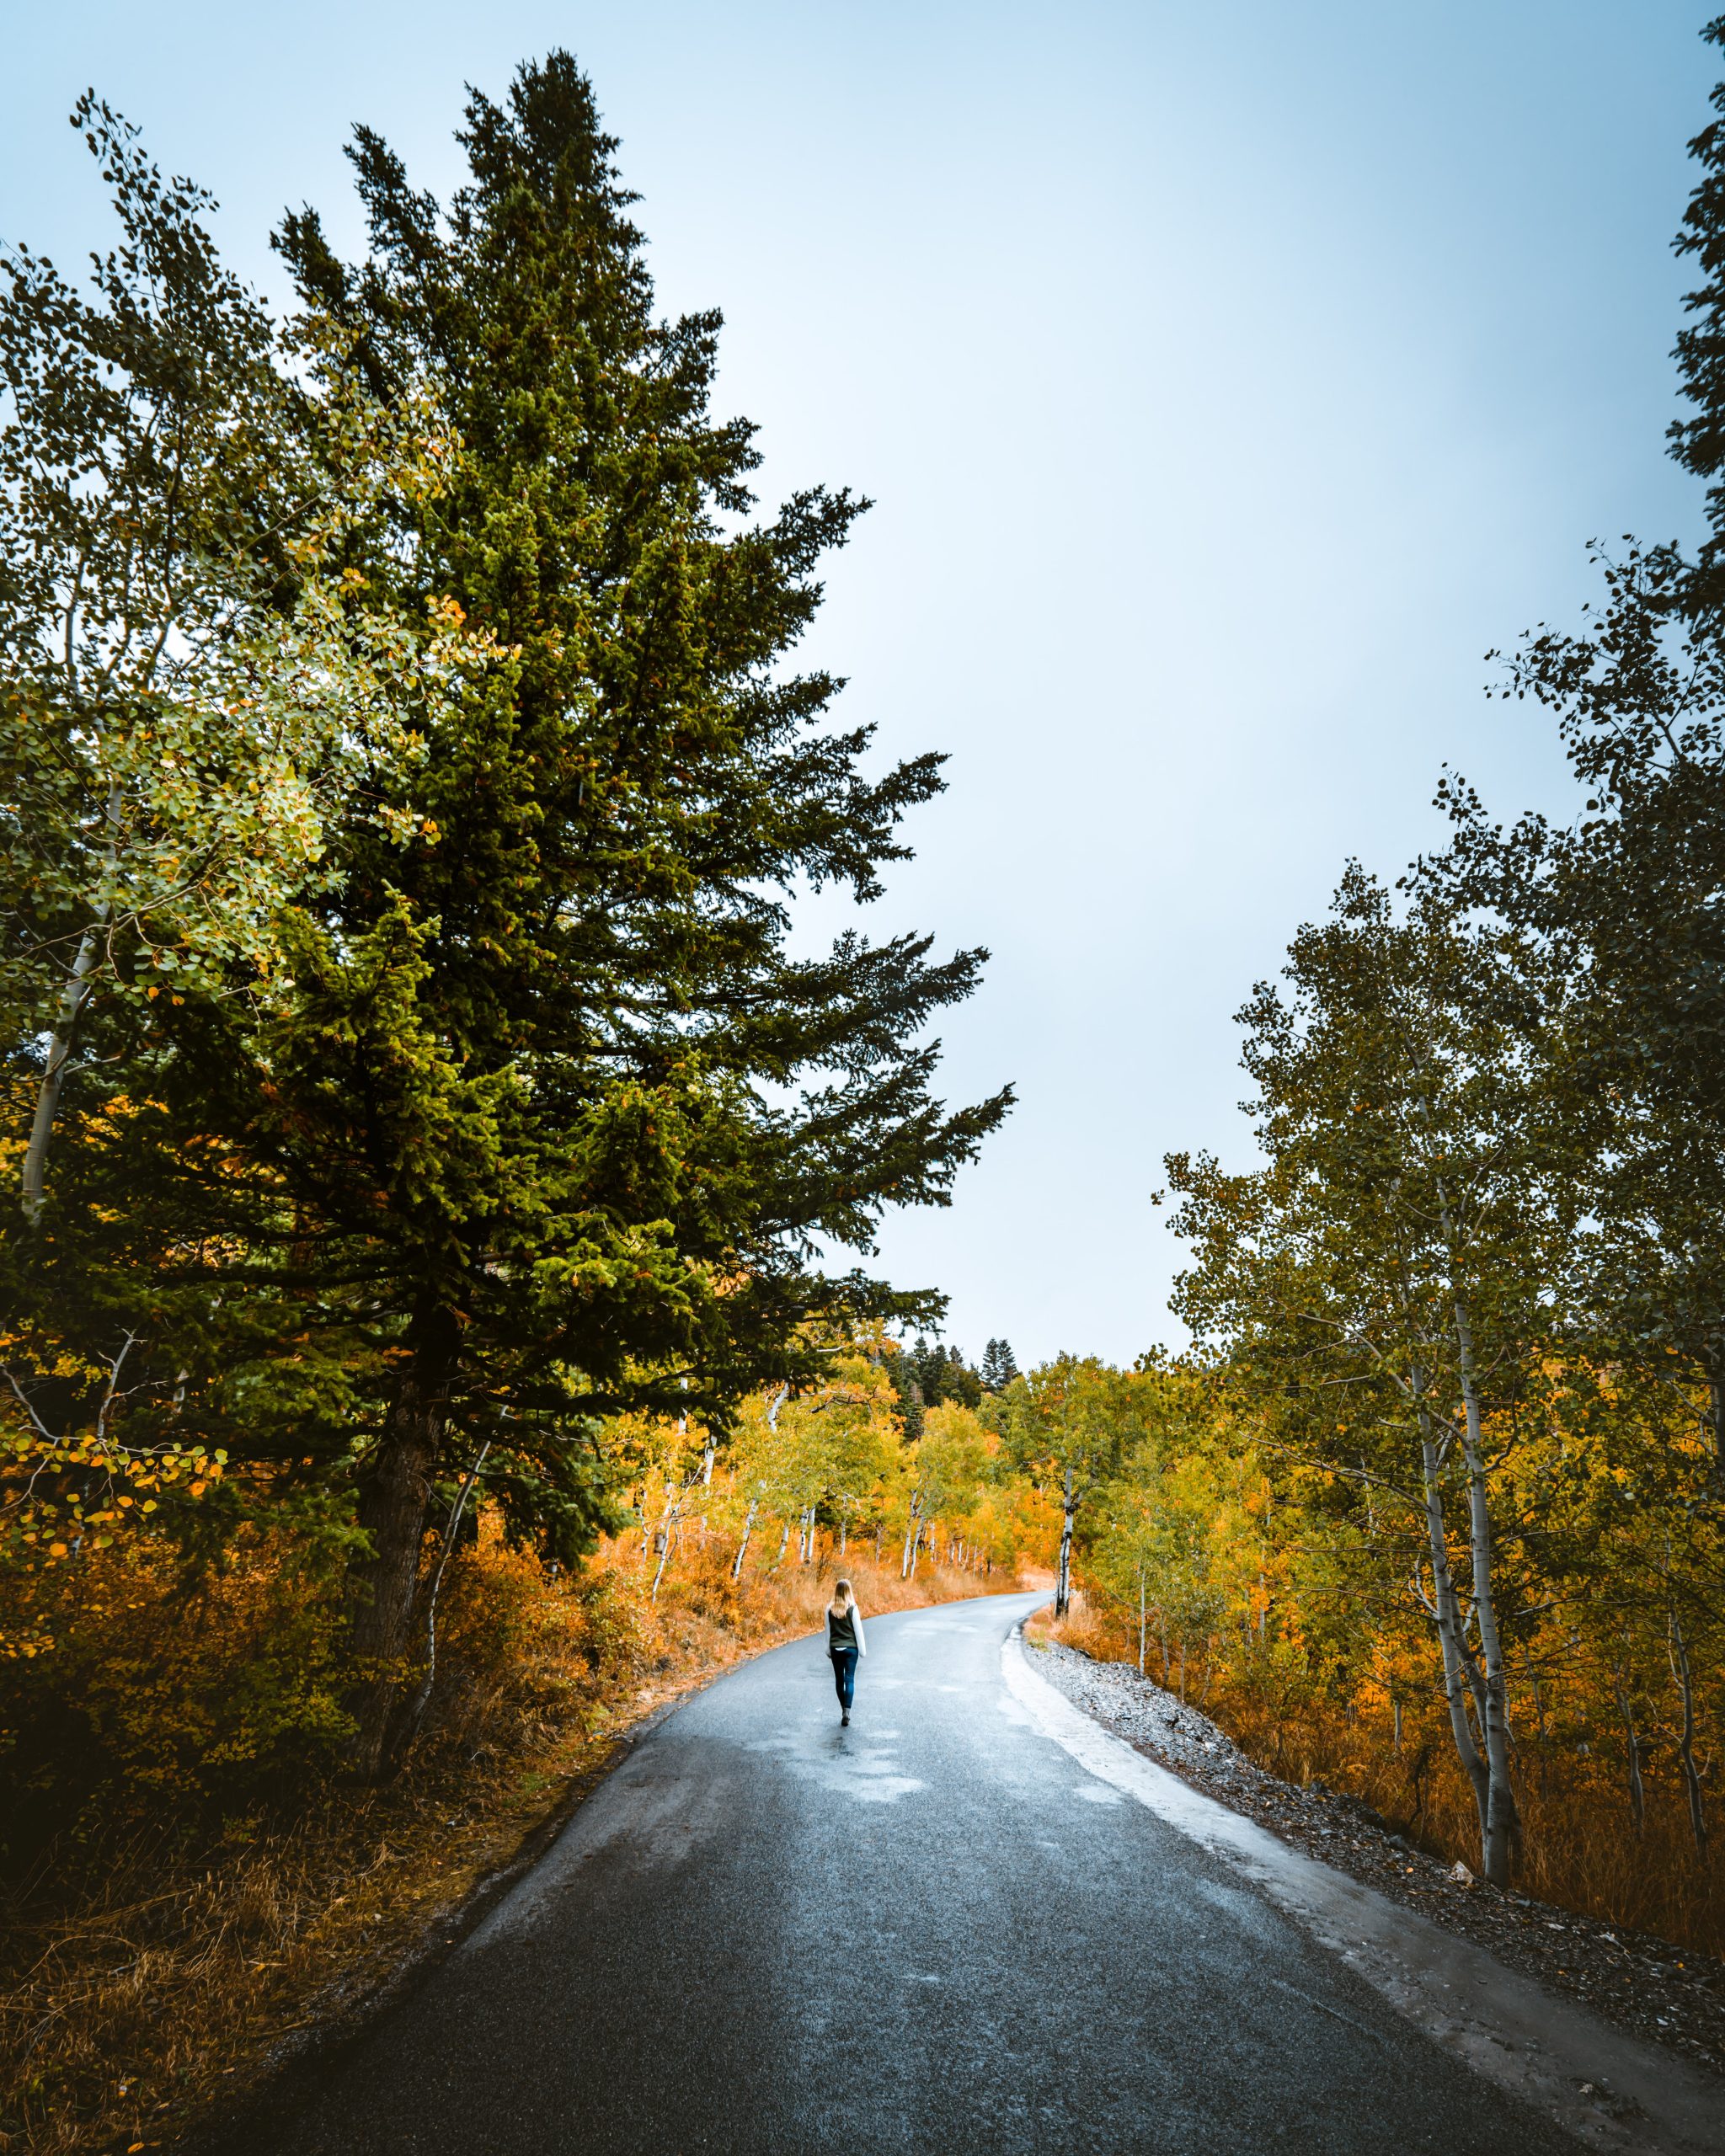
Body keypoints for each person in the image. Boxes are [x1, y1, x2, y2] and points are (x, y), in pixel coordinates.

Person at [825, 1577, 867, 1725]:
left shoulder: (829, 1609)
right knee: (849, 1679)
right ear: (849, 1591)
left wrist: (828, 1649)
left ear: (836, 1591)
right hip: (851, 1650)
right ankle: (847, 1711)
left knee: (839, 1680)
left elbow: (828, 1632)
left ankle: (843, 1709)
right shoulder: (853, 1608)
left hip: (836, 1649)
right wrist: (863, 1651)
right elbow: (858, 1631)